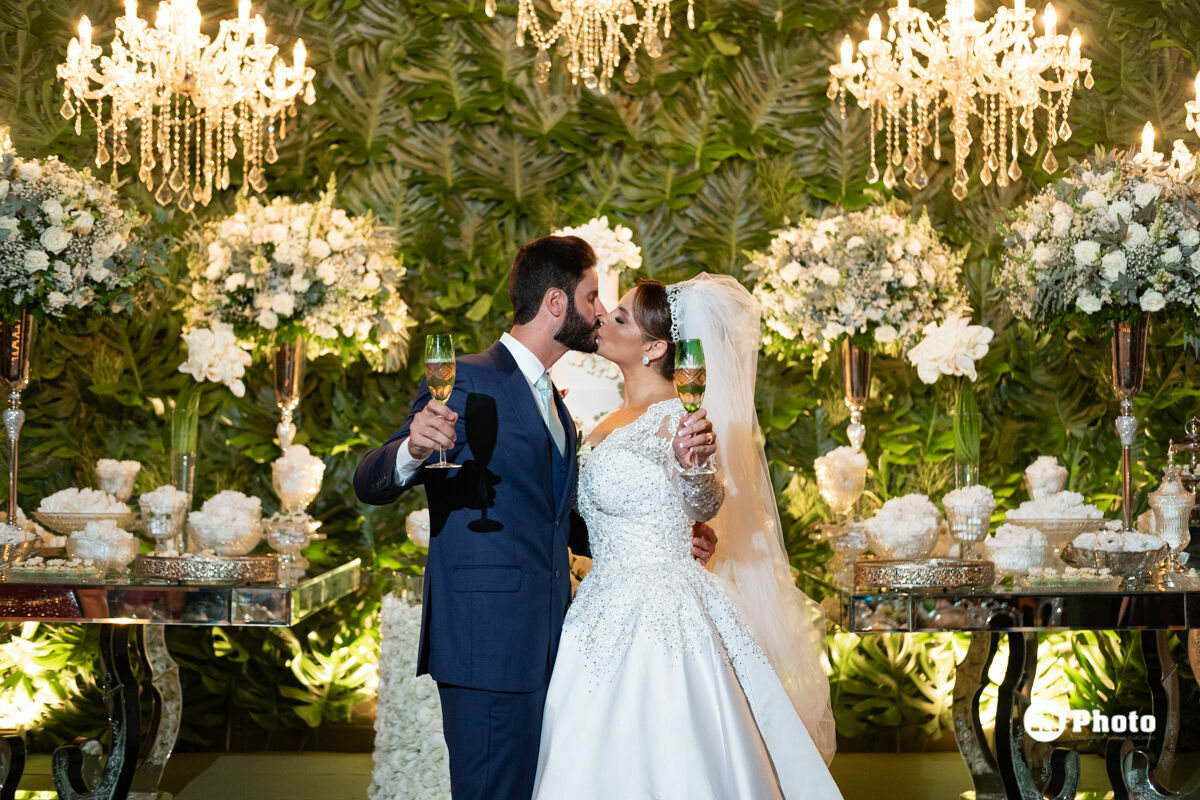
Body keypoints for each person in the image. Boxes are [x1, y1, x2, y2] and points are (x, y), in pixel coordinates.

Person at [353, 235, 718, 800]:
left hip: (555, 644)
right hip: (488, 643)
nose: (599, 313)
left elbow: (554, 519)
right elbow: (369, 480)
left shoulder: (557, 405)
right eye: (593, 298)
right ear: (555, 303)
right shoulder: (469, 379)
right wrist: (413, 451)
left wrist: (666, 536)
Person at [531, 274, 842, 799]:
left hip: (663, 611)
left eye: (621, 317)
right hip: (598, 610)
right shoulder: (606, 423)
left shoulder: (682, 418)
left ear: (655, 347)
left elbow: (705, 501)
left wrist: (694, 469)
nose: (603, 317)